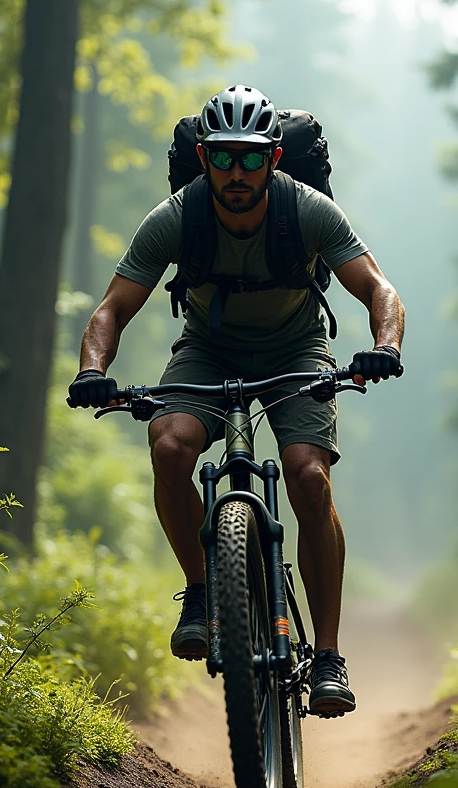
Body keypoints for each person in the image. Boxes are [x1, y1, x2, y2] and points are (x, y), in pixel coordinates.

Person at [68, 85, 405, 717]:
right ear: (203, 157)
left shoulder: (308, 211)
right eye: (223, 157)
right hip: (209, 350)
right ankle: (201, 592)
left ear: (275, 158)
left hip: (296, 352)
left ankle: (328, 656)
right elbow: (112, 308)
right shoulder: (178, 216)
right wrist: (93, 368)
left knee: (307, 476)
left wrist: (384, 344)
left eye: (251, 158)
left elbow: (379, 289)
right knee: (169, 446)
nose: (236, 172)